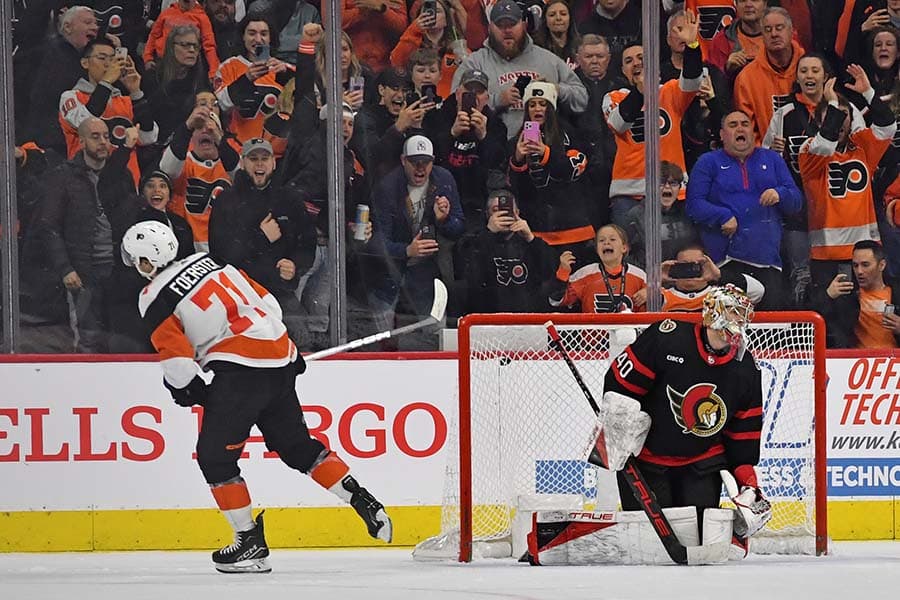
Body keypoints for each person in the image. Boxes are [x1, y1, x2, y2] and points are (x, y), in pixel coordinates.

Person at [120, 221, 392, 574]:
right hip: (278, 356)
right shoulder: (216, 264)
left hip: (240, 373)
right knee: (297, 447)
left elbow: (176, 362)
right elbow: (269, 305)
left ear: (145, 262)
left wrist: (191, 390)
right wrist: (284, 352)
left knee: (214, 459)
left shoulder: (152, 296)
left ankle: (249, 541)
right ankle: (362, 498)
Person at [603, 284, 770, 551]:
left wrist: (750, 486)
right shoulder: (666, 338)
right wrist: (620, 430)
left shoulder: (745, 368)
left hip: (701, 463)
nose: (740, 321)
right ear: (714, 313)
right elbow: (618, 385)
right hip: (646, 462)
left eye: (743, 314)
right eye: (734, 312)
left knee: (698, 541)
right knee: (649, 547)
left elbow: (743, 436)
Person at [19, 117, 138, 353]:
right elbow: (49, 225)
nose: (103, 142)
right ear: (81, 141)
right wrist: (65, 268)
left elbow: (131, 219)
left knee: (119, 335)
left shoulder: (120, 175)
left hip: (118, 268)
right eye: (95, 136)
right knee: (88, 336)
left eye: (106, 136)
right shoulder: (63, 177)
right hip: (84, 270)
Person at [686, 110, 802, 310]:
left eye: (745, 124)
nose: (740, 128)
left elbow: (796, 202)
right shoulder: (708, 162)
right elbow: (693, 205)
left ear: (753, 132)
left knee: (770, 330)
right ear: (722, 135)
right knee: (729, 327)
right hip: (726, 263)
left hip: (769, 263)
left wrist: (780, 193)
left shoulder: (772, 160)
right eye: (732, 125)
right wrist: (723, 215)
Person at [208, 138, 317, 345]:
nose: (259, 164)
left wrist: (295, 265)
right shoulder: (226, 201)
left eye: (264, 158)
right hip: (239, 295)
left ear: (273, 163)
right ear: (242, 162)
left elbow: (307, 243)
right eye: (253, 158)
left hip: (278, 291)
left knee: (302, 341)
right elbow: (220, 255)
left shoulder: (289, 198)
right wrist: (260, 237)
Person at [799, 70, 896, 296]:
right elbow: (826, 143)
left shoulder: (861, 146)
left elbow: (888, 127)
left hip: (865, 252)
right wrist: (831, 102)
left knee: (869, 315)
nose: (840, 120)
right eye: (834, 114)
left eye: (845, 115)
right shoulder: (809, 150)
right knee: (835, 318)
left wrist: (868, 93)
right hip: (827, 255)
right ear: (818, 120)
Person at [603, 9, 701, 227]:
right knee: (632, 257)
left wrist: (692, 48)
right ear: (622, 70)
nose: (636, 63)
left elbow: (693, 81)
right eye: (629, 60)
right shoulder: (614, 97)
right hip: (629, 195)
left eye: (641, 57)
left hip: (672, 191)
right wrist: (640, 91)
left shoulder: (669, 91)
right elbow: (620, 122)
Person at [369, 134, 464, 350]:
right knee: (380, 336)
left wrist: (444, 220)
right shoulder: (387, 187)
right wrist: (406, 250)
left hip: (426, 270)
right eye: (414, 162)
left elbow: (459, 227)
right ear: (403, 160)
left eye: (426, 162)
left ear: (433, 161)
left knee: (436, 329)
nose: (420, 168)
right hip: (389, 271)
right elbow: (377, 242)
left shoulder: (444, 180)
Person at [452, 0, 588, 139]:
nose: (507, 30)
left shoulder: (548, 60)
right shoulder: (475, 63)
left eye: (512, 24)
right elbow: (453, 104)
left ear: (524, 25)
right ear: (490, 27)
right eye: (500, 25)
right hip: (491, 146)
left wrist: (555, 89)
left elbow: (581, 99)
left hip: (541, 146)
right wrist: (497, 100)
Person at [59, 37, 159, 187]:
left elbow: (149, 137)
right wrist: (106, 82)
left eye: (113, 59)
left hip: (126, 188)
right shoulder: (71, 97)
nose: (108, 64)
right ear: (85, 63)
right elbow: (84, 123)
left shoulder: (126, 101)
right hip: (85, 185)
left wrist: (136, 92)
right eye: (102, 58)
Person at [464, 189, 559, 312]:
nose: (502, 214)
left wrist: (531, 238)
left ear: (517, 213)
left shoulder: (529, 242)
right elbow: (472, 278)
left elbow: (549, 273)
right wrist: (488, 234)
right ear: (488, 215)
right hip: (489, 319)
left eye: (507, 210)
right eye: (496, 210)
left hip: (527, 318)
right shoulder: (475, 241)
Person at [214, 16, 295, 142]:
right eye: (252, 33)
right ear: (243, 36)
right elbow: (220, 105)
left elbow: (308, 101)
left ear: (270, 38)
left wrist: (287, 76)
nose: (258, 39)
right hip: (239, 149)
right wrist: (246, 79)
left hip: (277, 152)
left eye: (264, 34)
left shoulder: (283, 69)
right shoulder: (228, 67)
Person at [733, 7, 805, 143]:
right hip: (766, 158)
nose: (774, 34)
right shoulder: (746, 79)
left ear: (792, 32)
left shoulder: (811, 69)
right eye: (767, 30)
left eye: (779, 28)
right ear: (762, 37)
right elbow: (746, 132)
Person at [812, 239, 900, 348]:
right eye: (855, 265)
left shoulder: (896, 292)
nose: (859, 271)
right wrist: (827, 296)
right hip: (856, 360)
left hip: (894, 360)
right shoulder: (846, 295)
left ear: (881, 265)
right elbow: (808, 323)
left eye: (865, 265)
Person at [549, 223, 647, 313]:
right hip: (593, 332)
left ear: (624, 248)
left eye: (612, 239)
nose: (606, 243)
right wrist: (563, 272)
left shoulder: (640, 276)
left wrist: (651, 293)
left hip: (629, 332)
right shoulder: (584, 274)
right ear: (597, 249)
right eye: (601, 240)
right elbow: (555, 301)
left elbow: (661, 305)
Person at [624, 161, 699, 270]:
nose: (667, 188)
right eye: (661, 183)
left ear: (679, 187)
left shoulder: (687, 212)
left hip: (684, 280)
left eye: (673, 183)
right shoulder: (635, 215)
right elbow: (622, 254)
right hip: (651, 280)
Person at [660, 244, 765, 312]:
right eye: (684, 265)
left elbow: (758, 292)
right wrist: (656, 280)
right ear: (673, 266)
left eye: (696, 266)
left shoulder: (721, 294)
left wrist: (719, 275)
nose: (689, 270)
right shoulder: (660, 296)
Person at [144, 0, 219, 80]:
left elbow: (209, 46)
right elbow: (153, 36)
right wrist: (148, 58)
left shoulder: (202, 18)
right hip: (162, 65)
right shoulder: (167, 13)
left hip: (187, 70)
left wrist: (213, 72)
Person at [708, 0, 765, 78]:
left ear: (765, 4)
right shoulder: (721, 40)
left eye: (754, 0)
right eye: (742, 0)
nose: (748, 5)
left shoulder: (779, 36)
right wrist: (727, 69)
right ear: (736, 5)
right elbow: (712, 82)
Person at [533, 0, 580, 65]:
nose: (558, 18)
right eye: (552, 15)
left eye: (563, 14)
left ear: (570, 18)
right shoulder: (536, 49)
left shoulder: (580, 46)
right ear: (545, 20)